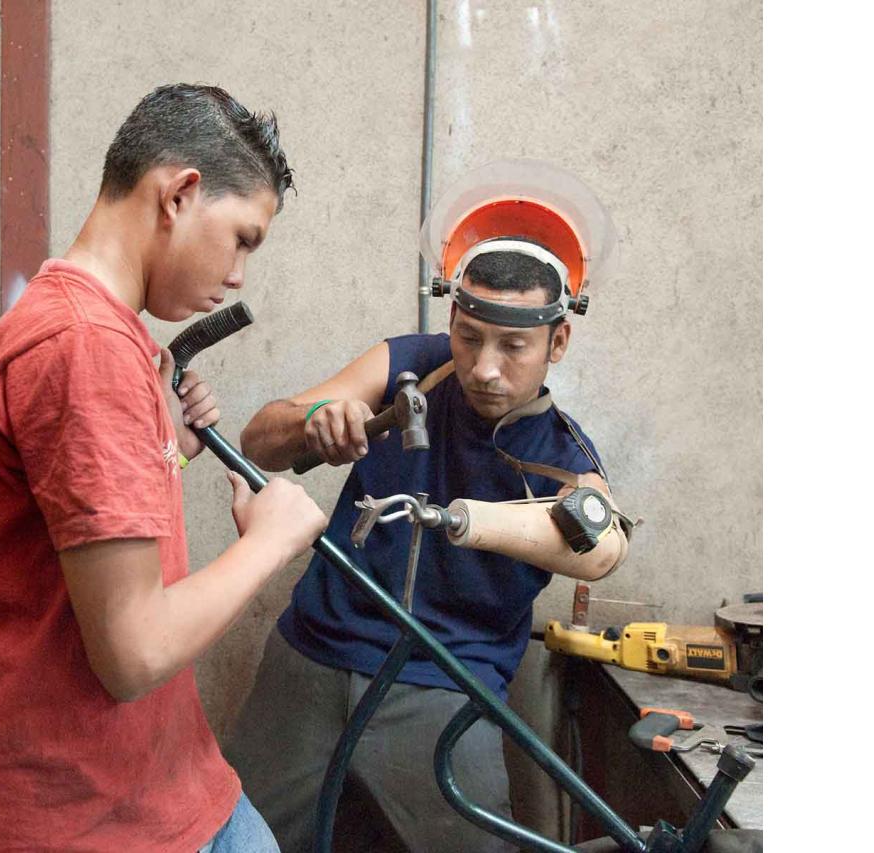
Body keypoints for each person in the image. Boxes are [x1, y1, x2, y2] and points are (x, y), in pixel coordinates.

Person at [0, 83, 328, 852]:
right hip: (82, 818)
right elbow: (132, 650)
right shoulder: (84, 347)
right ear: (180, 194)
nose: (239, 274)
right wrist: (267, 543)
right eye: (244, 238)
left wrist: (160, 447)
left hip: (156, 785)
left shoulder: (94, 331)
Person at [224, 162, 630, 852]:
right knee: (224, 837)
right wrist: (317, 425)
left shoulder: (561, 452)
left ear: (557, 342)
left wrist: (469, 518)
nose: (485, 367)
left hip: (447, 685)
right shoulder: (407, 364)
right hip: (314, 658)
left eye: (514, 346)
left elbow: (602, 541)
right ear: (451, 316)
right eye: (470, 336)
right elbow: (259, 439)